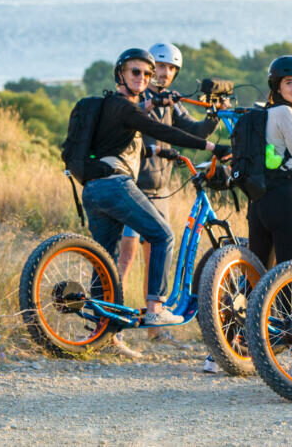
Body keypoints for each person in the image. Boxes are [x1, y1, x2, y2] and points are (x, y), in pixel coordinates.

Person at [80, 48, 230, 359]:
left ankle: (102, 331)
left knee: (106, 259)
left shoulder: (116, 105)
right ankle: (156, 309)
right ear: (120, 73)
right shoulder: (126, 107)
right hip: (120, 185)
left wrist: (206, 124)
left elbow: (170, 131)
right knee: (162, 238)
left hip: (95, 188)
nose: (146, 78)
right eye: (139, 72)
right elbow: (159, 130)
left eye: (148, 74)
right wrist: (211, 146)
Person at [117, 42, 220, 353]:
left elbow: (194, 131)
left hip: (162, 188)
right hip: (136, 185)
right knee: (125, 257)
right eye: (159, 67)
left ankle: (155, 327)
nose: (164, 73)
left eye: (171, 69)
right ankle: (114, 328)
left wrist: (213, 117)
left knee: (156, 257)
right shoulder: (140, 97)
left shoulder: (171, 104)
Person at [244, 55, 292, 380]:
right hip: (286, 198)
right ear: (277, 86)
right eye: (290, 82)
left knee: (257, 276)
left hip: (258, 201)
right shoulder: (286, 114)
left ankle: (232, 348)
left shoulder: (261, 115)